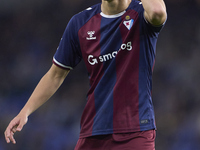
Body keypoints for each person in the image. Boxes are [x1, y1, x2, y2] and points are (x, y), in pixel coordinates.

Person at [4, 0, 167, 149]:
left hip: (135, 131)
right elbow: (55, 75)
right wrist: (25, 111)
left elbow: (158, 12)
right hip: (93, 131)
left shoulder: (140, 13)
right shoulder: (80, 23)